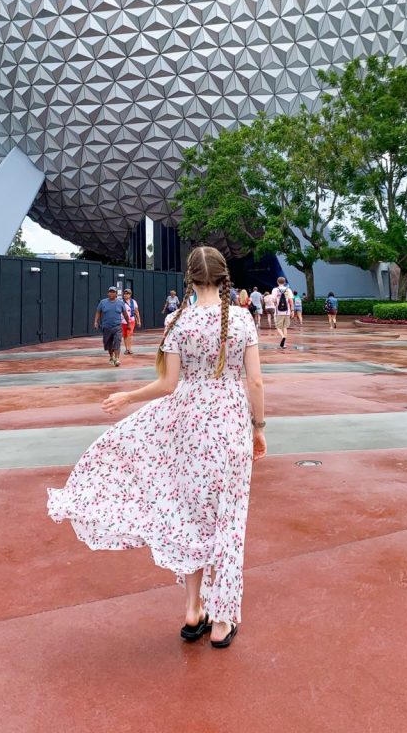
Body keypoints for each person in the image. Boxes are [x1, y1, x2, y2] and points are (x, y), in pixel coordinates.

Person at [48, 246, 266, 649]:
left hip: (188, 425)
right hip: (230, 422)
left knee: (190, 514)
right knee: (227, 520)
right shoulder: (241, 319)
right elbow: (255, 382)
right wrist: (259, 427)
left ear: (189, 277)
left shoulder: (177, 320)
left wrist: (128, 396)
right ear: (223, 277)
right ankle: (221, 622)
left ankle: (191, 609)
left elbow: (168, 385)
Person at [94, 286, 130, 367]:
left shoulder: (120, 303)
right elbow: (98, 312)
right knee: (108, 343)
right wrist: (96, 322)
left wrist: (128, 323)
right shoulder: (103, 302)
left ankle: (117, 359)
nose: (111, 293)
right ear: (108, 293)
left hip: (117, 327)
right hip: (106, 327)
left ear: (116, 294)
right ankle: (111, 357)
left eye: (113, 292)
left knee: (117, 341)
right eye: (110, 291)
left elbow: (125, 314)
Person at [271, 276, 294, 349]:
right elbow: (291, 301)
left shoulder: (275, 290)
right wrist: (292, 310)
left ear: (277, 282)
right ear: (284, 282)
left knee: (278, 327)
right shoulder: (288, 290)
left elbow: (273, 300)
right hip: (287, 312)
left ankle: (283, 337)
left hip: (278, 312)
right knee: (285, 327)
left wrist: (275, 303)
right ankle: (284, 344)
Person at [121, 288, 142, 355]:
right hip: (123, 321)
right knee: (125, 335)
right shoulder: (121, 302)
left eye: (127, 293)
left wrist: (139, 321)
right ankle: (126, 349)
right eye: (125, 293)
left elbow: (136, 312)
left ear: (130, 294)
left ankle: (129, 349)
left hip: (131, 321)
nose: (126, 295)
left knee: (129, 334)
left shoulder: (133, 302)